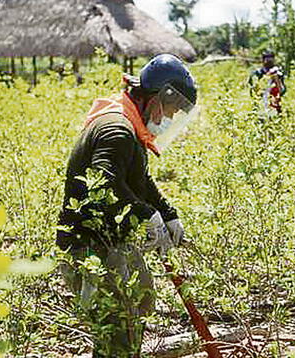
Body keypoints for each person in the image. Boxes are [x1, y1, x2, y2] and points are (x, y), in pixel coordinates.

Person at [56, 54, 198, 357]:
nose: (169, 119)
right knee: (119, 321)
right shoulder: (116, 129)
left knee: (141, 297)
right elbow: (103, 183)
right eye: (171, 110)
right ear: (159, 97)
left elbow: (139, 181)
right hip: (89, 244)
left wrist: (167, 214)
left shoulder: (128, 124)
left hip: (109, 237)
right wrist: (146, 216)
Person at [248, 50, 287, 114]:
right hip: (261, 107)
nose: (269, 61)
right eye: (267, 59)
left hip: (274, 107)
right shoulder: (257, 74)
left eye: (270, 59)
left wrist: (276, 79)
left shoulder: (278, 73)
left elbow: (282, 91)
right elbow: (252, 91)